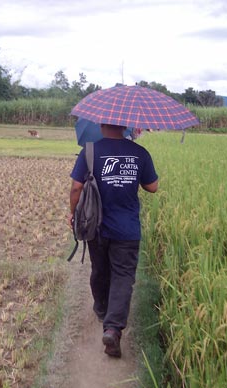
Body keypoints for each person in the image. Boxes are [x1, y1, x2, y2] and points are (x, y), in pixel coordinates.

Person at [68, 123, 158, 358]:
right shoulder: (140, 153)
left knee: (100, 269)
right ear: (126, 126)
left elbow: (76, 187)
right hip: (127, 230)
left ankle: (101, 310)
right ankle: (112, 328)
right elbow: (153, 187)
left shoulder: (89, 151)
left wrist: (73, 212)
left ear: (100, 124)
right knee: (123, 276)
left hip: (95, 227)